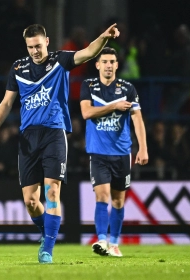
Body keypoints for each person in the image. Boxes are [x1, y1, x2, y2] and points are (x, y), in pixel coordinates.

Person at [0, 23, 120, 264]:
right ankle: (46, 233)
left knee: (52, 191)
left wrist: (103, 37)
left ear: (47, 41)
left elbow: (89, 52)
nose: (35, 51)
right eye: (30, 47)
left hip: (54, 134)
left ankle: (47, 249)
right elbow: (7, 101)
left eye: (38, 46)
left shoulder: (60, 61)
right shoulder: (18, 67)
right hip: (28, 137)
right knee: (30, 201)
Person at [79, 47, 148, 257]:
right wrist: (114, 106)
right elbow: (86, 113)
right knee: (102, 196)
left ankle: (115, 244)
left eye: (112, 62)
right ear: (97, 65)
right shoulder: (88, 85)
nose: (109, 65)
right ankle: (101, 241)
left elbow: (137, 119)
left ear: (117, 65)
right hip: (98, 153)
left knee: (118, 201)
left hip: (122, 153)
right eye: (105, 61)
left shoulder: (128, 88)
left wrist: (143, 148)